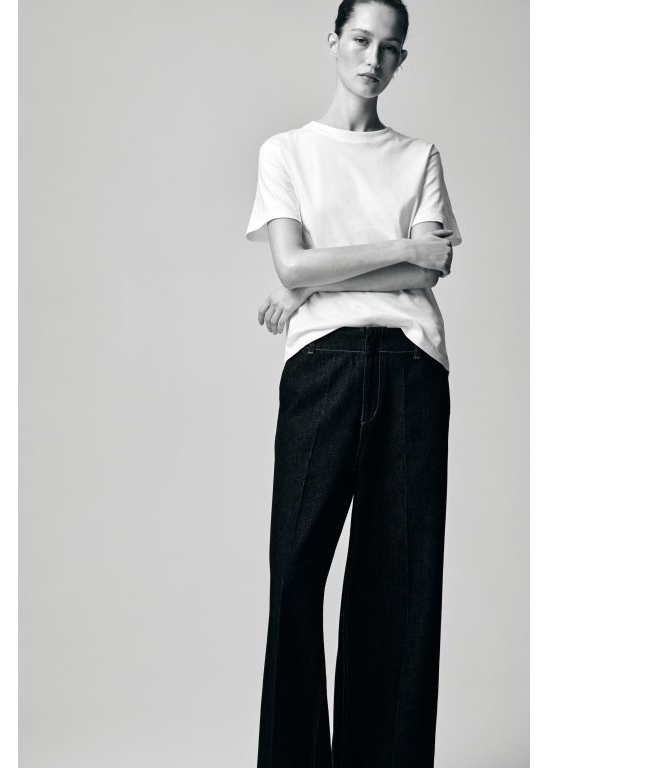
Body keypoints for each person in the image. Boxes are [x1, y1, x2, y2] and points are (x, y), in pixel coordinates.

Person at [244, 1, 462, 766]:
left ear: (401, 60)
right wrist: (394, 249)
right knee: (295, 577)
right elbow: (292, 262)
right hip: (322, 369)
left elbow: (429, 271)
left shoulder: (419, 156)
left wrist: (313, 277)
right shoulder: (287, 152)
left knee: (398, 589)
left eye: (390, 48)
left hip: (411, 366)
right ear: (334, 40)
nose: (374, 58)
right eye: (362, 40)